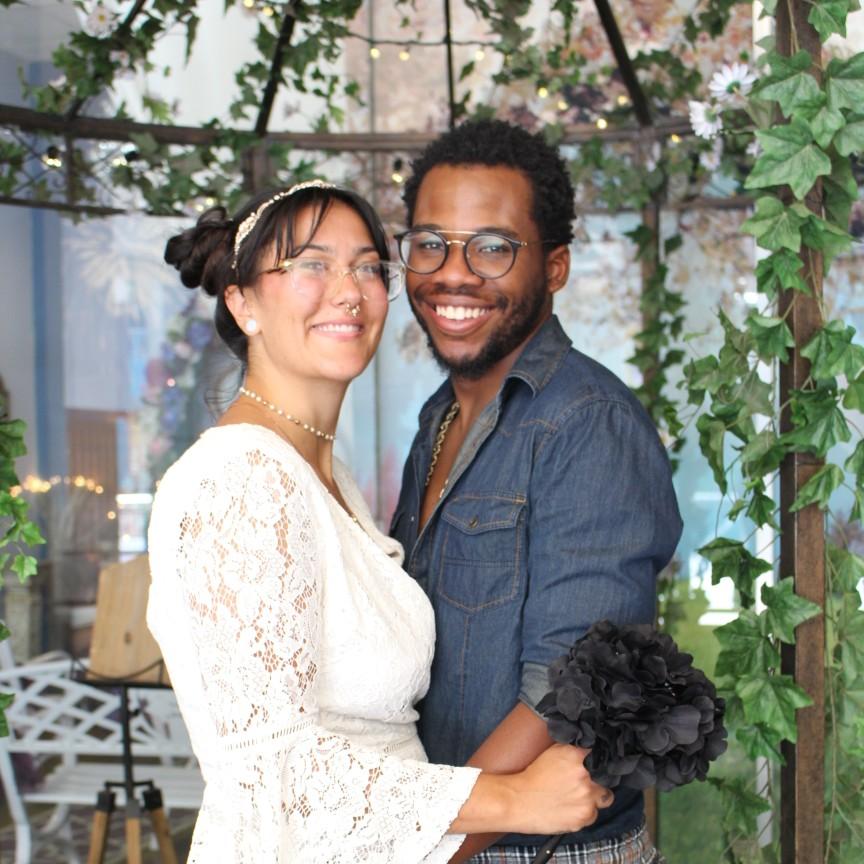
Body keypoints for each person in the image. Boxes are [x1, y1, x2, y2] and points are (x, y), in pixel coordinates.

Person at [146, 180, 613, 863]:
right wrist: (514, 798)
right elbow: (278, 775)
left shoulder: (324, 477)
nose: (349, 291)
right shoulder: (241, 478)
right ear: (243, 304)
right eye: (311, 264)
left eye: (367, 267)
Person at [390, 120, 683, 863]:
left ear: (554, 267)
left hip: (531, 850)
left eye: (492, 247)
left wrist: (426, 850)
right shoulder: (439, 418)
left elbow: (566, 693)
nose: (452, 274)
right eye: (430, 243)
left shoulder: (587, 424)